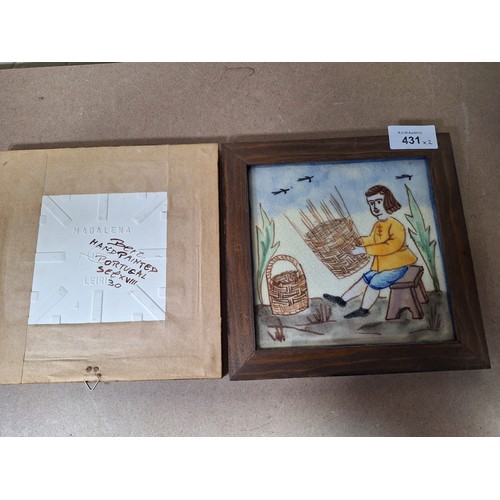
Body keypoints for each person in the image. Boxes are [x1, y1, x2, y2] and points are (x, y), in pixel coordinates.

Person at [324, 185, 417, 319]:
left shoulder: (396, 225)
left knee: (375, 282)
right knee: (366, 279)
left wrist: (364, 250)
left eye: (378, 201)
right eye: (371, 203)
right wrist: (357, 240)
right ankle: (342, 300)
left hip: (398, 266)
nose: (374, 206)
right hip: (384, 266)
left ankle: (364, 310)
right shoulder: (378, 224)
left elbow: (390, 246)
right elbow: (372, 239)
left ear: (388, 201)